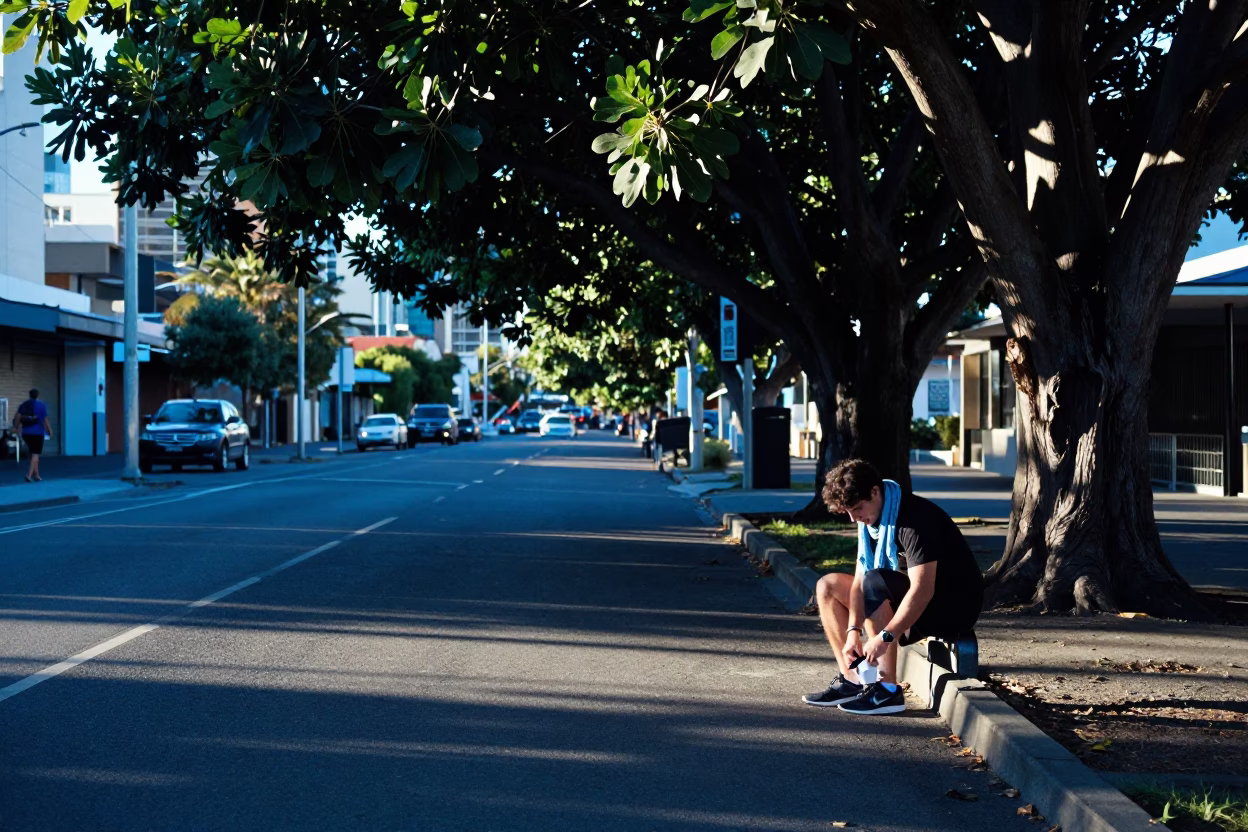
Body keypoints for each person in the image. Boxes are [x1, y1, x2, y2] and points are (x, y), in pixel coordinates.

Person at [803, 458, 983, 715]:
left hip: (951, 607)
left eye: (856, 508)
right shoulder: (873, 520)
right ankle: (853, 681)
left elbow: (923, 590)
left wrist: (885, 637)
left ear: (875, 491)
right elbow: (857, 582)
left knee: (875, 582)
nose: (854, 519)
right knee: (827, 586)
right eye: (848, 512)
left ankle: (888, 691)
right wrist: (853, 631)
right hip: (914, 598)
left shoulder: (915, 520)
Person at [13, 388, 53, 483]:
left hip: (26, 432)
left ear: (29, 394)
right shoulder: (42, 405)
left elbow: (18, 416)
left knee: (33, 454)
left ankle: (37, 476)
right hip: (37, 432)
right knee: (36, 454)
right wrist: (49, 431)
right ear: (37, 395)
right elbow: (45, 420)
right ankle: (29, 475)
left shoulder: (24, 404)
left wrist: (16, 427)